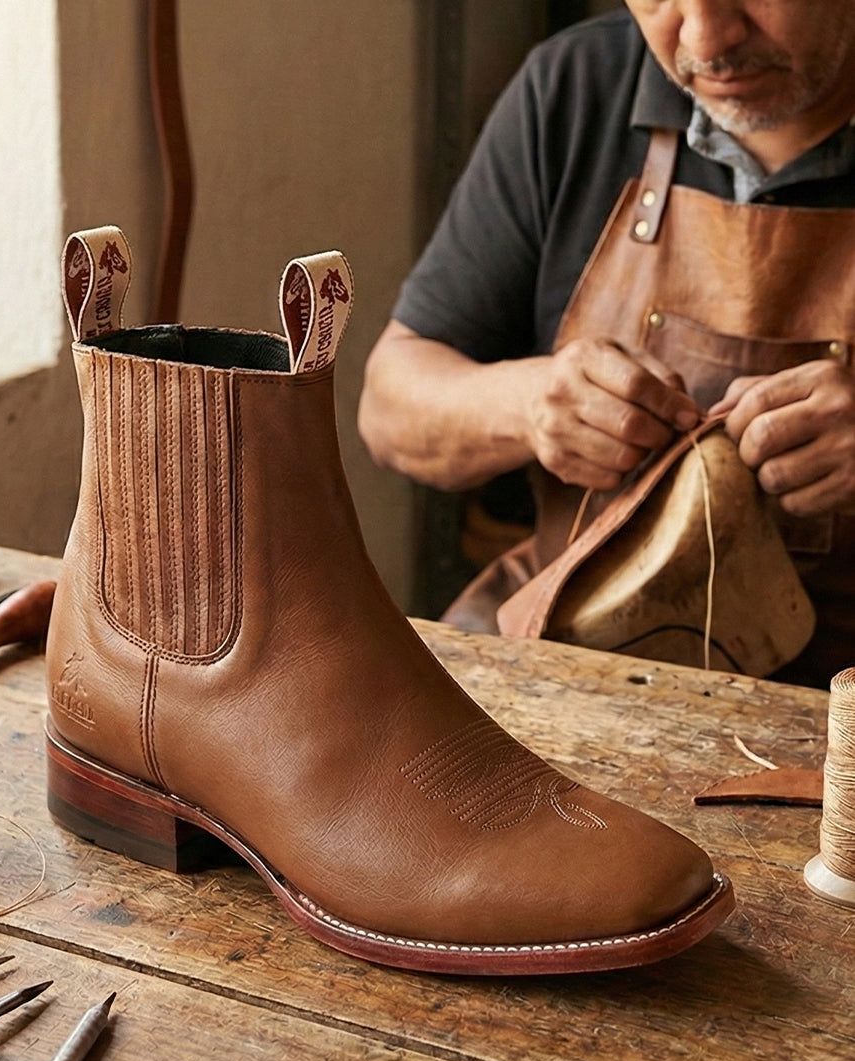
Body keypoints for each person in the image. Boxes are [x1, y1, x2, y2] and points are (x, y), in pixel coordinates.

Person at [357, 0, 855, 689]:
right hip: (580, 659)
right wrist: (530, 404)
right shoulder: (576, 85)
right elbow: (389, 408)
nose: (707, 38)